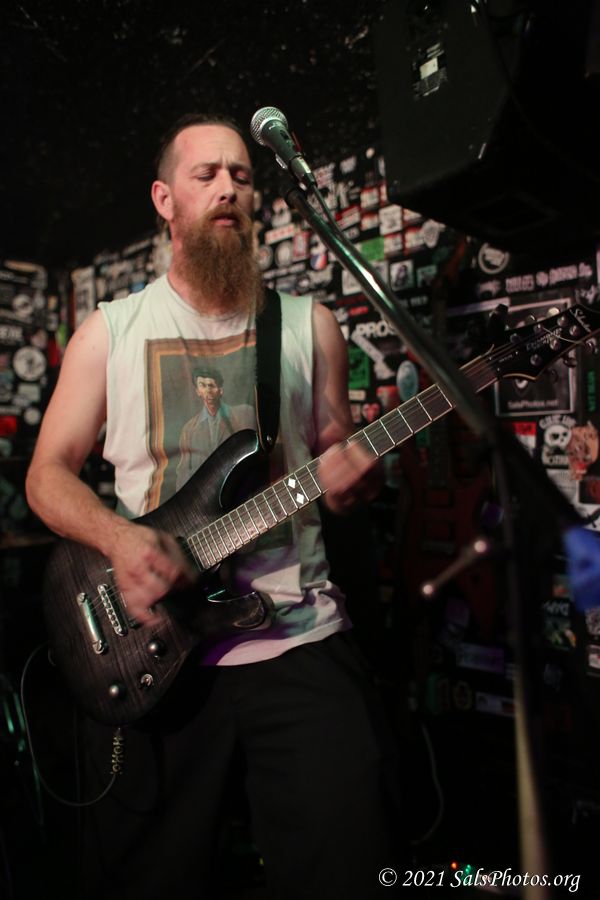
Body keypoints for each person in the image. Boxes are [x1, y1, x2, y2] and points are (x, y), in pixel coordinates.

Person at [26, 113, 402, 899]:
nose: (228, 187)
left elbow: (335, 448)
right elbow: (47, 477)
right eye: (206, 175)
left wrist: (355, 477)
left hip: (299, 635)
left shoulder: (308, 325)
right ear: (165, 200)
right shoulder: (110, 332)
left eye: (242, 175)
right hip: (156, 650)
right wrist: (121, 541)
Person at [175, 365, 255, 489]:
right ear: (197, 391)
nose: (208, 391)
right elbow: (183, 474)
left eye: (211, 385)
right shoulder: (189, 430)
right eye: (202, 385)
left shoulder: (243, 415)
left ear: (220, 390)